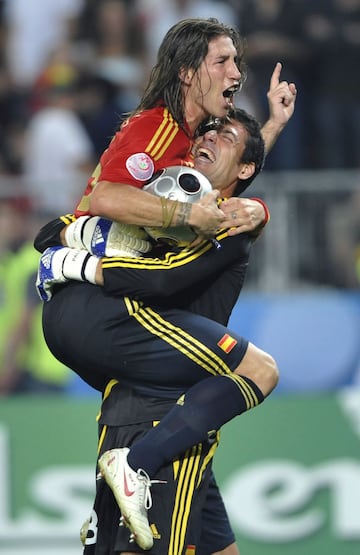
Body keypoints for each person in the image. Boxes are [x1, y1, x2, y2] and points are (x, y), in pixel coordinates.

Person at [35, 17, 296, 550]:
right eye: (223, 61)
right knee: (257, 370)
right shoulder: (158, 126)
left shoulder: (188, 145)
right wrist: (189, 221)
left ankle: (104, 519)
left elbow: (228, 172)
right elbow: (107, 197)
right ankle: (135, 470)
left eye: (237, 62)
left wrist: (269, 131)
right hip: (101, 308)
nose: (236, 72)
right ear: (187, 73)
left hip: (113, 335)